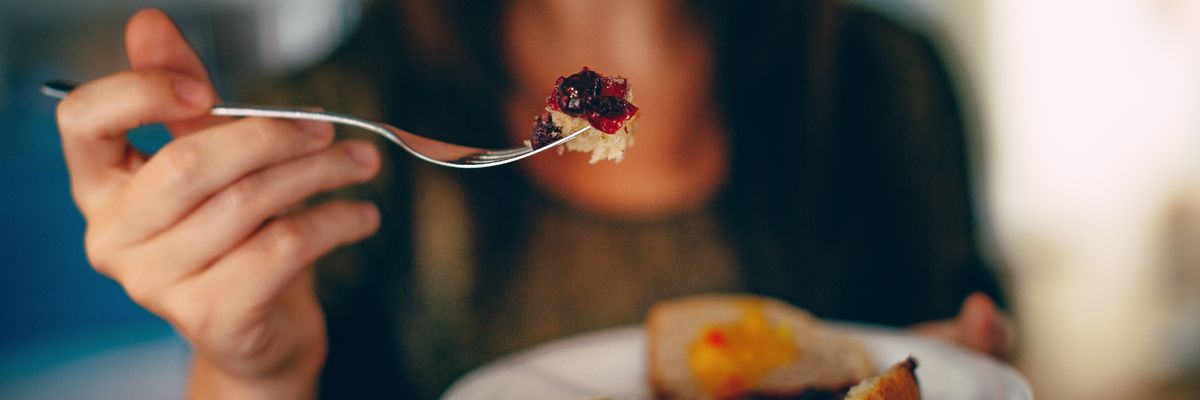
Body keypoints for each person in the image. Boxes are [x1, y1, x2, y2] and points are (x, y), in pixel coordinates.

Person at [53, 1, 1013, 398]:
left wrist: (944, 367)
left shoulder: (889, 80)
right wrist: (257, 372)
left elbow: (955, 351)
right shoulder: (337, 122)